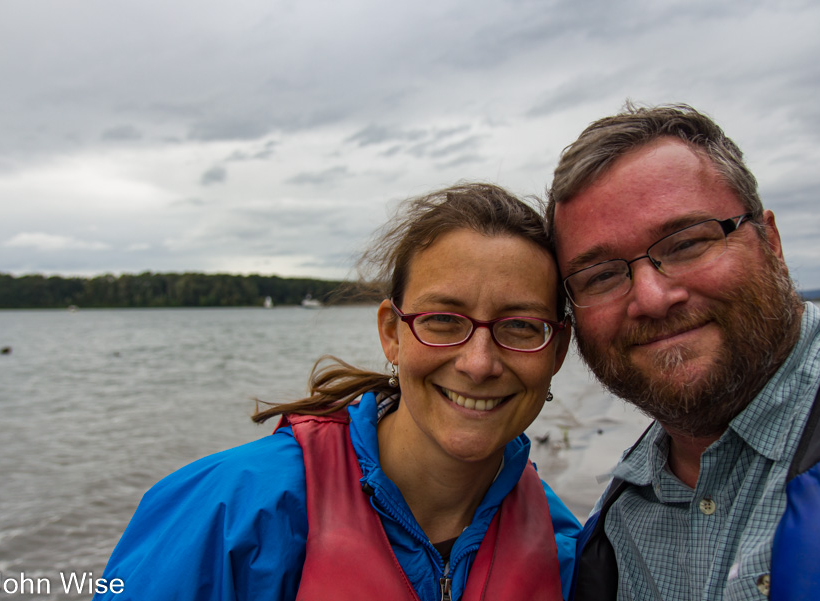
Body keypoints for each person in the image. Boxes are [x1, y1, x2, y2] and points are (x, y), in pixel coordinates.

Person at [94, 183, 580, 600]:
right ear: (392, 333)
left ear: (556, 351)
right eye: (443, 320)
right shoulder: (231, 515)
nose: (478, 364)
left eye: (520, 326)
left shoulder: (565, 547)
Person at [546, 103, 820, 600]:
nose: (650, 299)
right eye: (602, 275)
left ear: (771, 242)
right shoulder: (612, 535)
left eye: (687, 244)